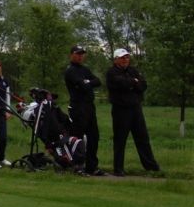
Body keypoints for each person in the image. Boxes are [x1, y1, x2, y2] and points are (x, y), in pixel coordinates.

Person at [105, 48, 160, 176]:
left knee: (142, 138)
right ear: (116, 59)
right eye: (122, 58)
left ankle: (151, 167)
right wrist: (133, 82)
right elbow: (119, 84)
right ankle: (118, 169)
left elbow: (143, 85)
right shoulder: (111, 72)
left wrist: (132, 83)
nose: (125, 60)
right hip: (121, 109)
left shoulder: (133, 70)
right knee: (120, 139)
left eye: (127, 57)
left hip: (135, 108)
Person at [63, 44, 107, 176]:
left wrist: (87, 82)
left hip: (89, 106)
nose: (80, 56)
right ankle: (78, 166)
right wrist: (87, 83)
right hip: (78, 107)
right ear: (72, 55)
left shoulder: (85, 69)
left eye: (82, 54)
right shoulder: (70, 71)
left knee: (94, 136)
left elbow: (98, 81)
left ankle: (91, 166)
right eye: (78, 54)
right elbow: (83, 86)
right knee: (78, 137)